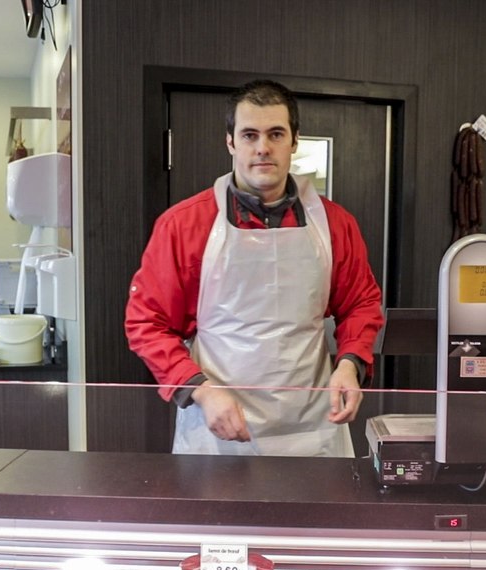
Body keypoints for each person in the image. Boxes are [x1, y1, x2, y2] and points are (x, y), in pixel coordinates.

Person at [125, 79, 384, 457]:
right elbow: (146, 322)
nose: (263, 148)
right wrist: (199, 388)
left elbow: (361, 304)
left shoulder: (336, 225)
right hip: (218, 431)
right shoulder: (183, 225)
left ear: (294, 141)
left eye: (276, 134)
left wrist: (349, 364)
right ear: (230, 142)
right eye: (249, 135)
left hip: (313, 428)